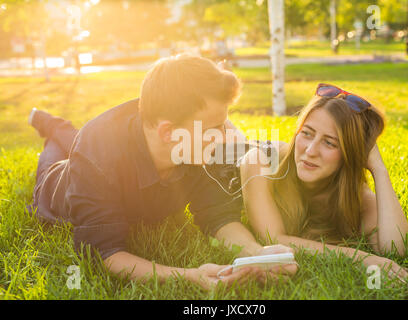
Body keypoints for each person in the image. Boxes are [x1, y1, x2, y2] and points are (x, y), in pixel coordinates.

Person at [27, 54, 295, 291]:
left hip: (107, 155)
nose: (225, 139)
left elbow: (219, 216)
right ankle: (49, 124)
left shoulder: (197, 143)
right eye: (215, 128)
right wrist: (190, 276)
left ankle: (55, 125)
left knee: (74, 140)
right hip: (55, 187)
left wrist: (257, 254)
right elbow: (104, 252)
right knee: (54, 153)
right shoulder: (96, 153)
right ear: (168, 132)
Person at [239, 83, 408, 281]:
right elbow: (273, 238)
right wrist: (361, 258)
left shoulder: (354, 196)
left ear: (349, 155)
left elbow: (396, 249)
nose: (311, 150)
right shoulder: (260, 162)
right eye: (307, 133)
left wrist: (379, 169)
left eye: (329, 142)